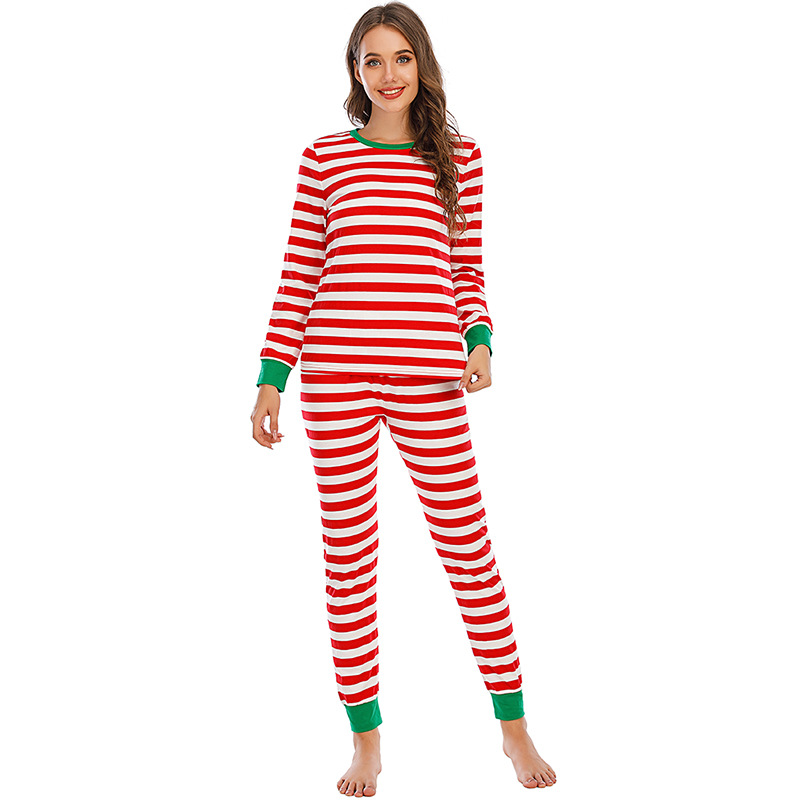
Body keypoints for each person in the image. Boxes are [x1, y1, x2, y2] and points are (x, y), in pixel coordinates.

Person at [251, 3, 556, 795]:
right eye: (372, 61)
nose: (388, 75)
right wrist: (272, 378)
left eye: (402, 58)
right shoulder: (324, 159)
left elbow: (467, 269)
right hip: (336, 381)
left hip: (429, 380)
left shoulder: (460, 157)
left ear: (423, 64)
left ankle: (514, 728)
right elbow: (299, 276)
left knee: (469, 551)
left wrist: (480, 340)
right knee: (349, 561)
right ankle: (366, 741)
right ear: (355, 72)